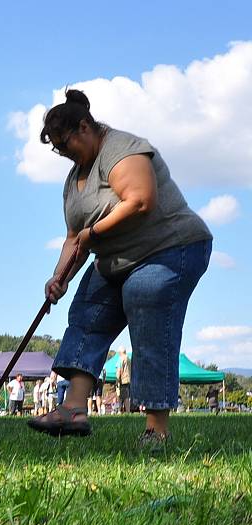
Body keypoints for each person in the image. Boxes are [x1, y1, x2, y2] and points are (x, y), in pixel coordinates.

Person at [27, 89, 212, 443]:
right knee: (86, 314)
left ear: (84, 127)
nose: (63, 153)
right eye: (56, 149)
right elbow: (73, 237)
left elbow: (140, 199)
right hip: (117, 258)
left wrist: (93, 232)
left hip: (170, 246)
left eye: (64, 144)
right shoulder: (74, 180)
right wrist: (59, 276)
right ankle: (74, 409)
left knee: (148, 309)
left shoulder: (121, 148)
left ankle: (155, 431)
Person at [115, 347, 132, 413]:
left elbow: (119, 370)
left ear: (120, 352)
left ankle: (121, 411)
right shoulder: (128, 358)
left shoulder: (121, 358)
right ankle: (127, 411)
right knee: (126, 396)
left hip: (122, 380)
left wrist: (117, 381)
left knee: (122, 396)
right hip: (128, 379)